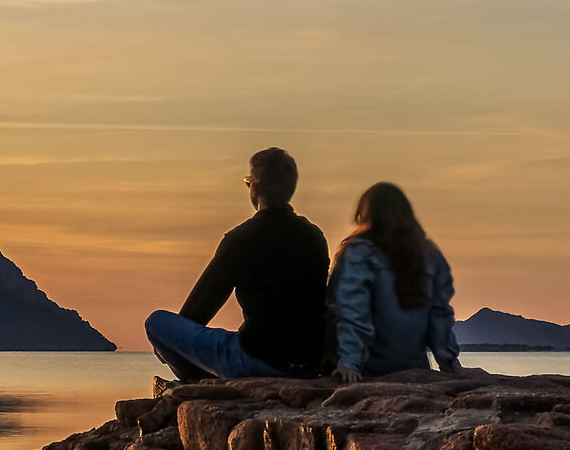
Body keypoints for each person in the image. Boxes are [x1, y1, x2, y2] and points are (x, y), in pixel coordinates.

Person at [145, 147, 330, 382]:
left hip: (257, 360)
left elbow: (197, 310)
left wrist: (169, 346)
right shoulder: (315, 236)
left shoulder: (242, 238)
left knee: (157, 323)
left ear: (256, 187)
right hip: (307, 364)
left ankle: (198, 381)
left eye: (248, 182)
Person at [328, 182, 461, 382]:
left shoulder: (359, 253)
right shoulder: (429, 255)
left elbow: (353, 312)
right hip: (414, 365)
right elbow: (439, 315)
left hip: (369, 368)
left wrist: (349, 363)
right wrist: (449, 363)